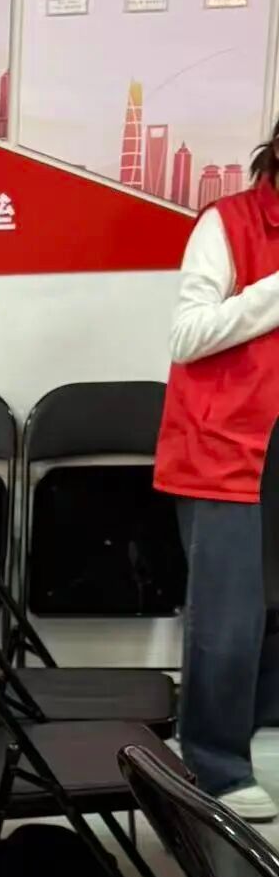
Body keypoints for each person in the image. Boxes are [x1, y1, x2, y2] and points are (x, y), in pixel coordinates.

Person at [154, 115, 279, 827]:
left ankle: (244, 736)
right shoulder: (227, 223)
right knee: (228, 617)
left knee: (272, 615)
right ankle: (213, 759)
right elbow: (189, 334)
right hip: (227, 446)